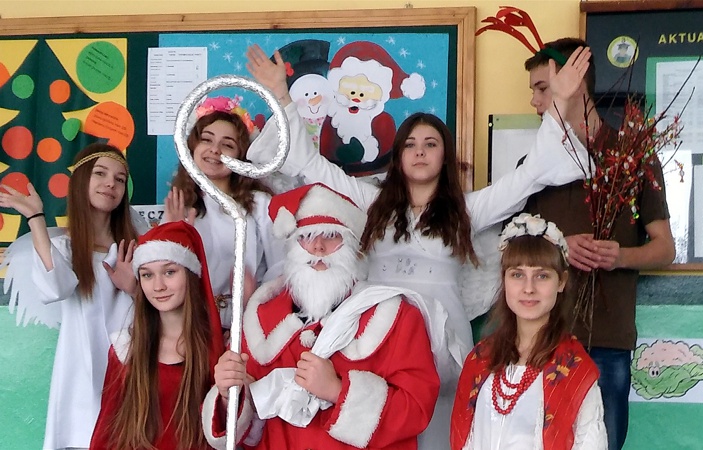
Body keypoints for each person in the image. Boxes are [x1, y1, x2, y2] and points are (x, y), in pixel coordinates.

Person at [243, 43, 593, 449]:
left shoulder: (467, 210)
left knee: (440, 430)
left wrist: (561, 102)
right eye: (410, 144)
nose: (420, 151)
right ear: (398, 156)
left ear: (445, 155)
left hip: (443, 337)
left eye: (430, 143)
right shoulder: (371, 203)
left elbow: (528, 176)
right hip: (380, 337)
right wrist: (282, 95)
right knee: (385, 424)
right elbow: (312, 167)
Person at [521, 38, 676, 450]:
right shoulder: (532, 166)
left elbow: (665, 248)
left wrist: (620, 256)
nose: (535, 101)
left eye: (542, 88)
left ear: (574, 84)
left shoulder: (633, 156)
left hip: (608, 339)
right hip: (542, 338)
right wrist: (557, 247)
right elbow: (511, 252)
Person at [204, 183, 441, 449]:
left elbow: (416, 409)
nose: (318, 247)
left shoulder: (396, 317)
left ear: (351, 246)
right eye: (307, 236)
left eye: (330, 235)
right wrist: (229, 396)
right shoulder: (260, 321)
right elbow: (246, 428)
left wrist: (338, 391)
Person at [0, 143, 139, 449]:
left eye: (119, 179)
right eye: (100, 173)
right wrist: (36, 217)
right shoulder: (66, 248)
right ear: (81, 181)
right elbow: (55, 287)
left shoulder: (134, 248)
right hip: (82, 373)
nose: (110, 184)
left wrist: (132, 287)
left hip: (132, 370)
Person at [451, 213, 607, 449]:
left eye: (542, 276)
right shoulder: (480, 359)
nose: (528, 288)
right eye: (517, 275)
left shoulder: (574, 369)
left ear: (561, 282)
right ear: (504, 280)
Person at [90, 220, 224, 449]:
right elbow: (107, 430)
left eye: (169, 272)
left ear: (191, 274)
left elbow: (229, 428)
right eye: (147, 275)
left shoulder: (219, 347)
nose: (158, 286)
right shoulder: (126, 349)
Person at [163, 95, 283, 332]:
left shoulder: (260, 205)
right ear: (192, 147)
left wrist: (253, 309)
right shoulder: (179, 204)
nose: (215, 150)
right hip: (194, 326)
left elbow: (280, 266)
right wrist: (175, 235)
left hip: (249, 326)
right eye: (206, 139)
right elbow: (165, 274)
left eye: (227, 144)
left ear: (241, 156)